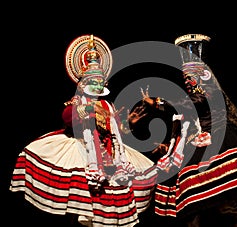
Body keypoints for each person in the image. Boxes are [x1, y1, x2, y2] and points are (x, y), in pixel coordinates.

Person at [127, 34, 237, 227]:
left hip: (219, 139)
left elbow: (191, 104)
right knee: (199, 197)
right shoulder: (196, 93)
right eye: (186, 77)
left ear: (202, 75)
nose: (188, 81)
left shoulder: (209, 91)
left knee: (224, 193)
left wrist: (157, 102)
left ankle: (229, 218)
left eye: (191, 77)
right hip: (201, 141)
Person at [9, 34, 159, 227]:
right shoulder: (80, 101)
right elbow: (67, 117)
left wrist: (126, 123)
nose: (97, 85)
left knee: (105, 206)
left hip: (109, 157)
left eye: (100, 81)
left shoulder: (107, 105)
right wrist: (89, 109)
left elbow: (114, 135)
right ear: (83, 83)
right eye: (93, 81)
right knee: (78, 205)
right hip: (83, 152)